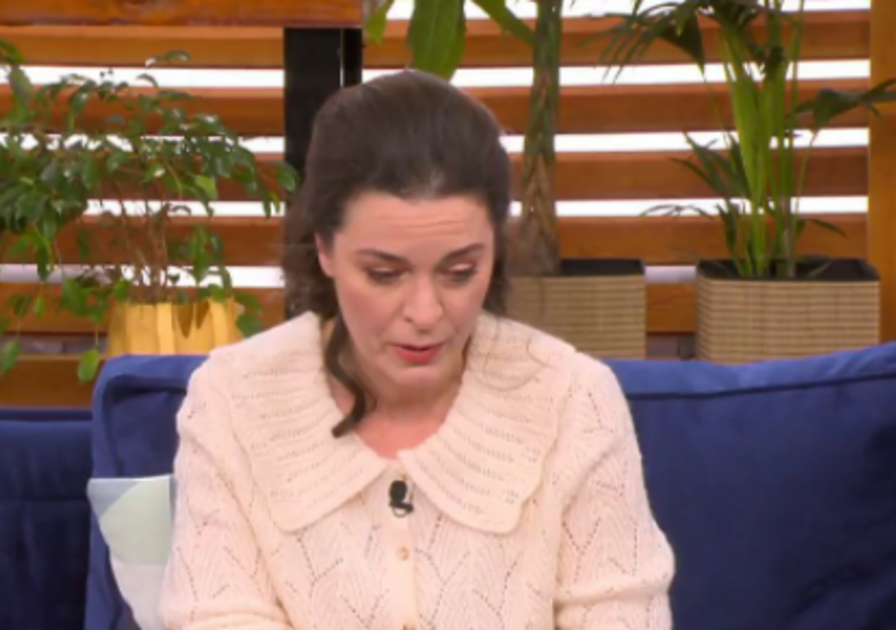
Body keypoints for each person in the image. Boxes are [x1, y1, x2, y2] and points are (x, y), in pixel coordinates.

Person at [160, 69, 675, 629]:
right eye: (384, 274)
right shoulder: (231, 401)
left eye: (460, 272)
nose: (426, 314)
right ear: (325, 249)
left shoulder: (574, 400)